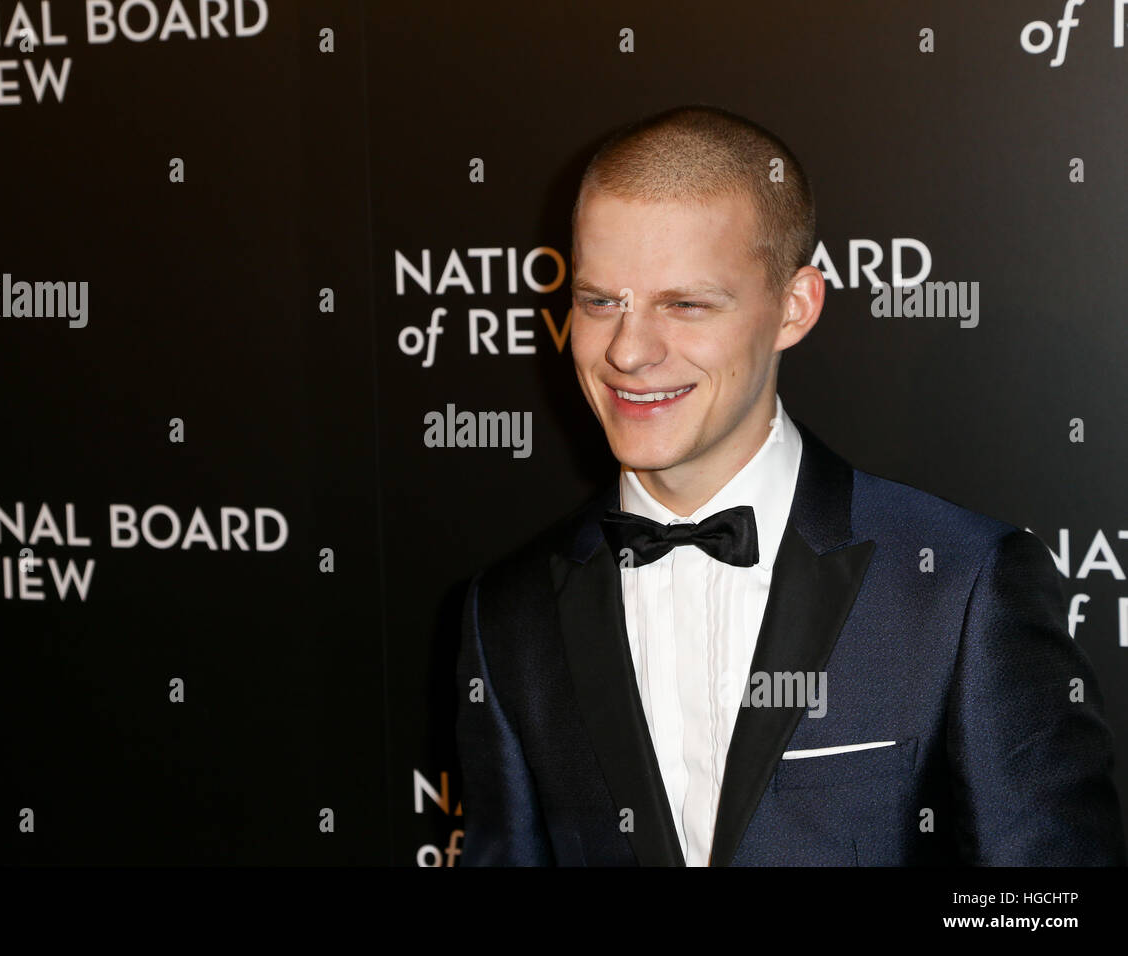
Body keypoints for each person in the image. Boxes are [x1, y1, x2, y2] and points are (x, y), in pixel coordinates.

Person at [454, 105, 1126, 866]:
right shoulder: (508, 612)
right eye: (600, 301)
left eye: (686, 304)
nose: (628, 352)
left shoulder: (959, 586)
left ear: (794, 308)